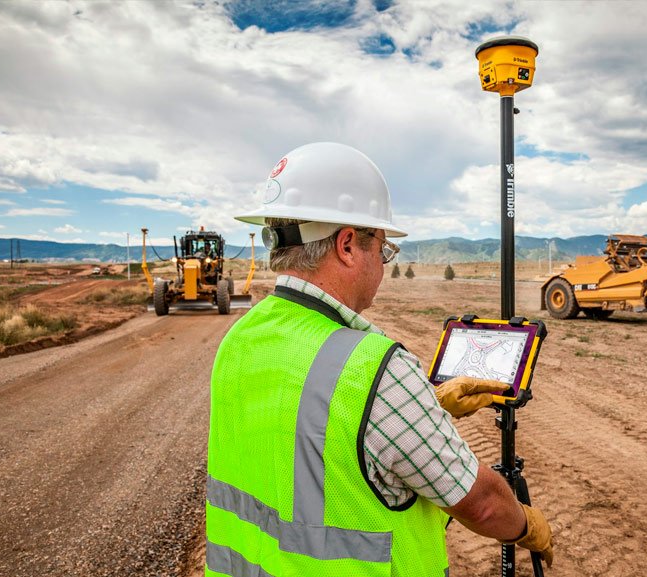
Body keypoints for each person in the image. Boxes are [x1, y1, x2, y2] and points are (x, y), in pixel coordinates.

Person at [206, 142, 553, 577]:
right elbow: (481, 505)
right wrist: (526, 525)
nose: (384, 266)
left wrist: (428, 406)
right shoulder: (374, 367)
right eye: (384, 251)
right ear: (348, 245)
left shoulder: (240, 338)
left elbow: (300, 437)